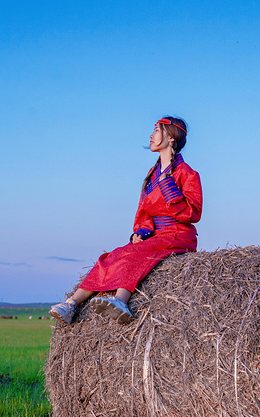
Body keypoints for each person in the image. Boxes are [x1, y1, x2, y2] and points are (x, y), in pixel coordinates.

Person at [49, 116, 203, 325]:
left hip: (178, 235)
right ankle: (72, 304)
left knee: (134, 256)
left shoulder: (187, 173)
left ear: (171, 137)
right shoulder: (151, 176)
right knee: (112, 256)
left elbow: (194, 213)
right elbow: (144, 212)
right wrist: (140, 233)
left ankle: (120, 301)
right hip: (156, 236)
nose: (151, 135)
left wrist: (168, 184)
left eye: (156, 130)